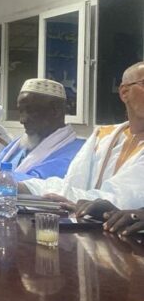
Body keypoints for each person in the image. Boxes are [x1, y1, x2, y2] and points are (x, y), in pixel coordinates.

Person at [22, 62, 144, 210]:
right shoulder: (103, 135)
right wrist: (26, 187)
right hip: (80, 222)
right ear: (124, 92)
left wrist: (75, 202)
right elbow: (71, 184)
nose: (23, 119)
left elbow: (124, 199)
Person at [0, 79, 85, 181]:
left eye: (30, 111)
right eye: (21, 111)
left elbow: (41, 184)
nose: (22, 120)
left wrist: (1, 179)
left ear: (56, 111)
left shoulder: (78, 151)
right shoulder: (18, 145)